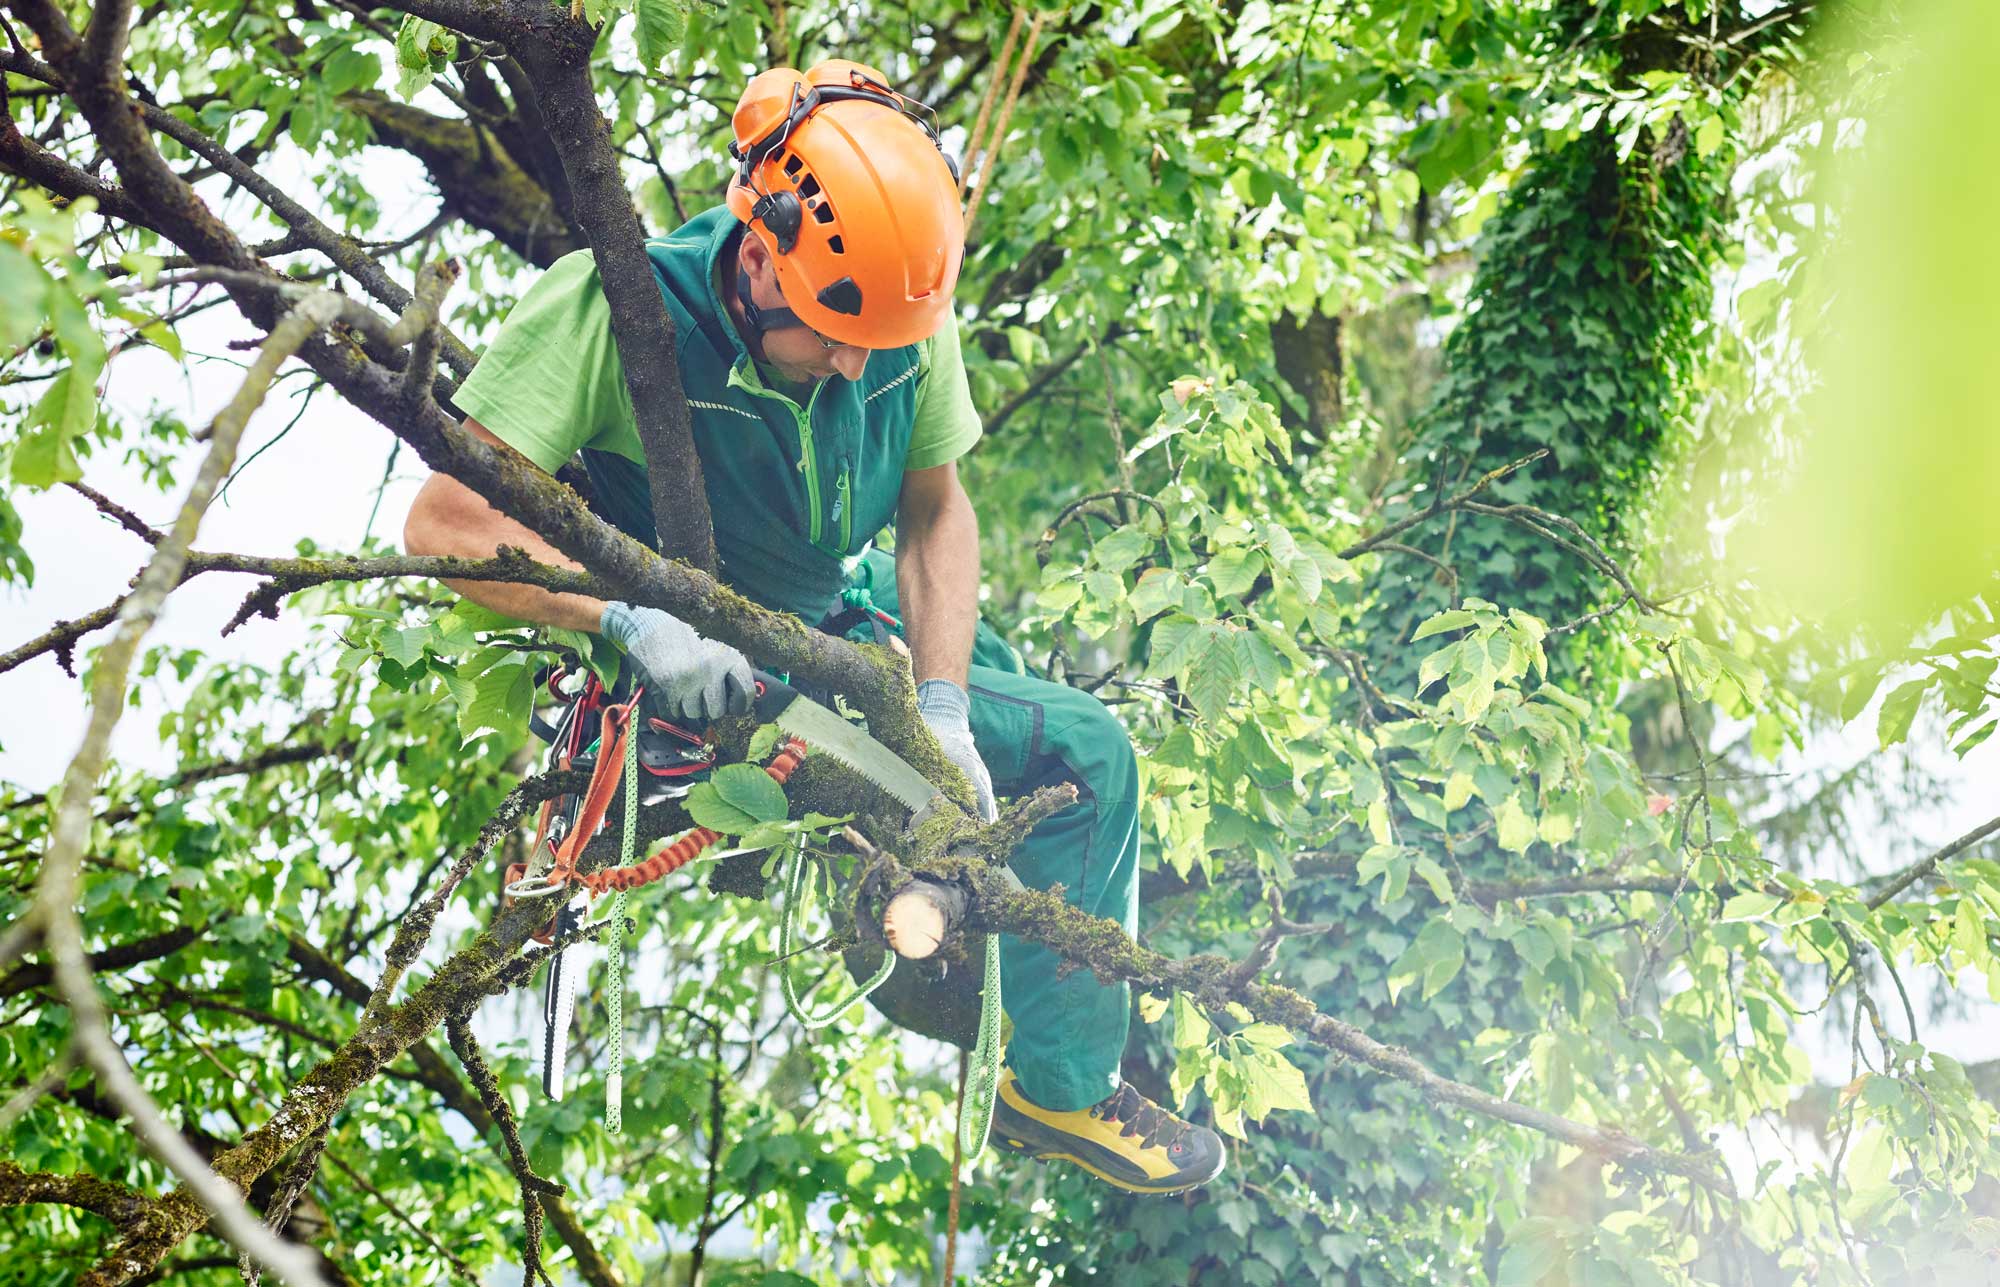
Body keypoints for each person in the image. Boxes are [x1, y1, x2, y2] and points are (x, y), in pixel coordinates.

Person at [403, 58, 1224, 1196]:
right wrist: (624, 618)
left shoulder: (892, 310)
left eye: (874, 345)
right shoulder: (616, 307)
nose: (853, 363)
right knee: (1087, 749)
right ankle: (1060, 1093)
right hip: (709, 671)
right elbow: (448, 521)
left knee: (1024, 742)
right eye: (830, 335)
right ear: (758, 250)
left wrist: (942, 704)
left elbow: (936, 511)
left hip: (848, 621)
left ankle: (1033, 998)